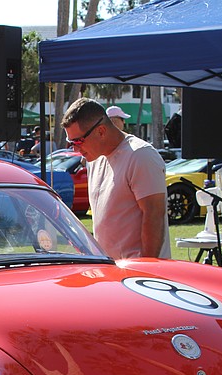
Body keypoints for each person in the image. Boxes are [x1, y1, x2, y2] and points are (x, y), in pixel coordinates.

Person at [62, 98, 170, 259]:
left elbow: (154, 215)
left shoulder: (140, 155)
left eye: (78, 141)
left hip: (139, 275)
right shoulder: (95, 158)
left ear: (101, 131)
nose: (76, 148)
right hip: (111, 272)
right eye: (70, 142)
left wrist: (147, 270)